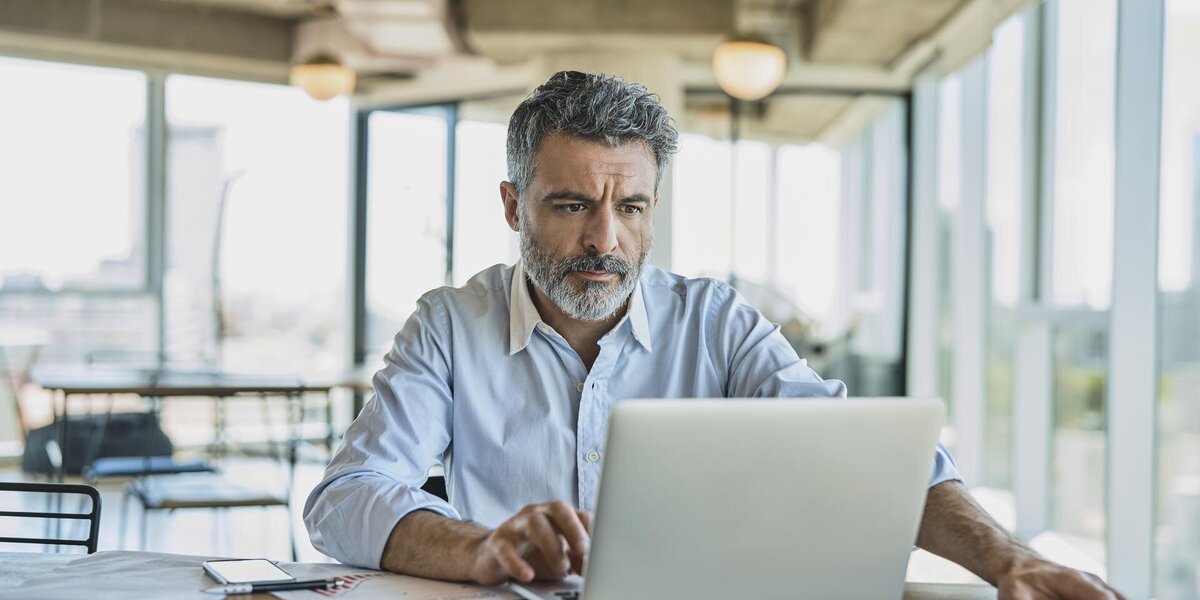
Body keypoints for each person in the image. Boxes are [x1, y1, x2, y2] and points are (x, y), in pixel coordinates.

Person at [304, 71, 1123, 600]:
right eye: (570, 206)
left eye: (631, 208)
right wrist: (484, 548)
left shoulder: (719, 322)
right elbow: (344, 500)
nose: (605, 241)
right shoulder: (450, 325)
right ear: (514, 205)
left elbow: (872, 457)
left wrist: (1006, 560)